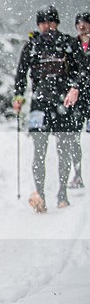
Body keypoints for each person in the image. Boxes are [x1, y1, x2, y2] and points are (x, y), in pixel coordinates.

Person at [12, 5, 85, 212]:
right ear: (38, 25)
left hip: (63, 103)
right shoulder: (32, 45)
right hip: (39, 104)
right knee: (39, 151)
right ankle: (40, 196)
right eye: (43, 23)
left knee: (64, 149)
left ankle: (62, 193)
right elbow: (21, 73)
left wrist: (75, 87)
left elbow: (82, 70)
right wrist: (18, 96)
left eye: (50, 22)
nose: (47, 26)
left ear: (57, 23)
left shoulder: (69, 44)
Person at [68, 11, 90, 188]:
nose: (81, 26)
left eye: (85, 22)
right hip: (78, 99)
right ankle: (78, 174)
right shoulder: (72, 45)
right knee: (74, 138)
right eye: (79, 23)